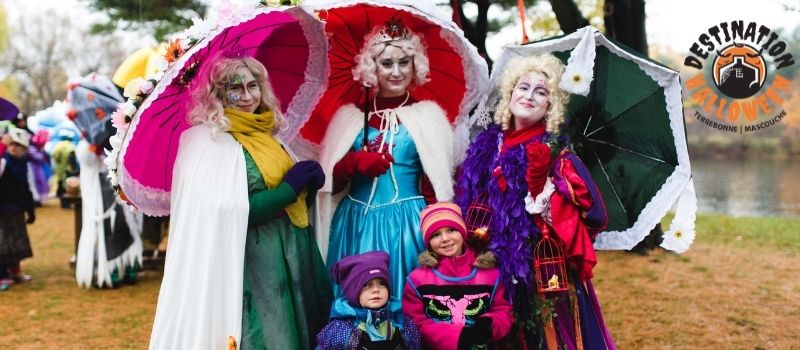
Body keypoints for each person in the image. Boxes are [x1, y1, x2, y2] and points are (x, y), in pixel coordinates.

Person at [149, 54, 332, 350]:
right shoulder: (208, 142)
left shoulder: (268, 135)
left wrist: (307, 187)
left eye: (253, 85)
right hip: (254, 262)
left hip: (294, 251)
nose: (247, 96)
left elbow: (290, 199)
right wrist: (288, 189)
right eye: (235, 89)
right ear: (217, 96)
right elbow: (224, 212)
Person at [456, 54, 615, 349]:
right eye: (523, 87)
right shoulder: (487, 144)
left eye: (541, 91)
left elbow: (590, 217)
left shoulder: (556, 152)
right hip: (486, 264)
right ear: (510, 93)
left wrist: (544, 194)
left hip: (538, 273)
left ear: (549, 105)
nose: (529, 95)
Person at [319, 19, 457, 301]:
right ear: (372, 68)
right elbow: (327, 185)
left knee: (410, 304)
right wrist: (352, 164)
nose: (396, 72)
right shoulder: (350, 117)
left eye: (404, 62)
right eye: (386, 64)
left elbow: (438, 187)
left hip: (408, 226)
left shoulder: (429, 115)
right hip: (355, 223)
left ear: (415, 65)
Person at [402, 202, 513, 349]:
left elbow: (503, 311)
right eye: (436, 234)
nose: (445, 239)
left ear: (462, 231)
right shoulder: (417, 280)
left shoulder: (490, 276)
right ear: (428, 241)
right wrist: (456, 336)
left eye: (451, 230)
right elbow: (416, 322)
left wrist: (490, 325)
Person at [317, 251, 421, 350]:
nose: (376, 290)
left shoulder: (402, 324)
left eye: (381, 283)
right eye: (366, 285)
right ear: (352, 292)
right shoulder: (340, 330)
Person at [0, 129, 36, 291]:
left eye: (18, 145)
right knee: (3, 243)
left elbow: (25, 188)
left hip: (16, 210)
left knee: (16, 242)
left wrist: (30, 210)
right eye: (12, 144)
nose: (14, 148)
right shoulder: (3, 162)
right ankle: (2, 274)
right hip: (2, 210)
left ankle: (15, 271)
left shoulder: (22, 165)